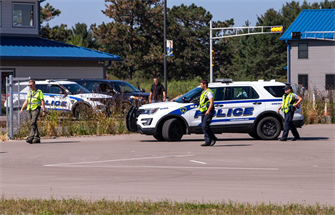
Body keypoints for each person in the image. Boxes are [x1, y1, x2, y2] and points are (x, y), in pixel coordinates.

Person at [20, 80, 46, 144]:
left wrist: (44, 110)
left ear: (34, 85)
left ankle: (30, 137)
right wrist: (22, 108)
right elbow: (27, 101)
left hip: (36, 109)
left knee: (33, 122)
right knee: (34, 124)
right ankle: (37, 138)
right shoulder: (29, 92)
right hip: (30, 109)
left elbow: (42, 101)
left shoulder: (39, 92)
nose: (30, 87)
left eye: (31, 85)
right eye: (29, 85)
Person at [199, 79, 217, 146]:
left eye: (201, 84)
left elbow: (211, 102)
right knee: (205, 126)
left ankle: (212, 138)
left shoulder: (209, 92)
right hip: (204, 111)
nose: (200, 85)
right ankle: (208, 141)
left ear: (205, 85)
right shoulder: (203, 92)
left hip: (208, 111)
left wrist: (208, 111)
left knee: (204, 126)